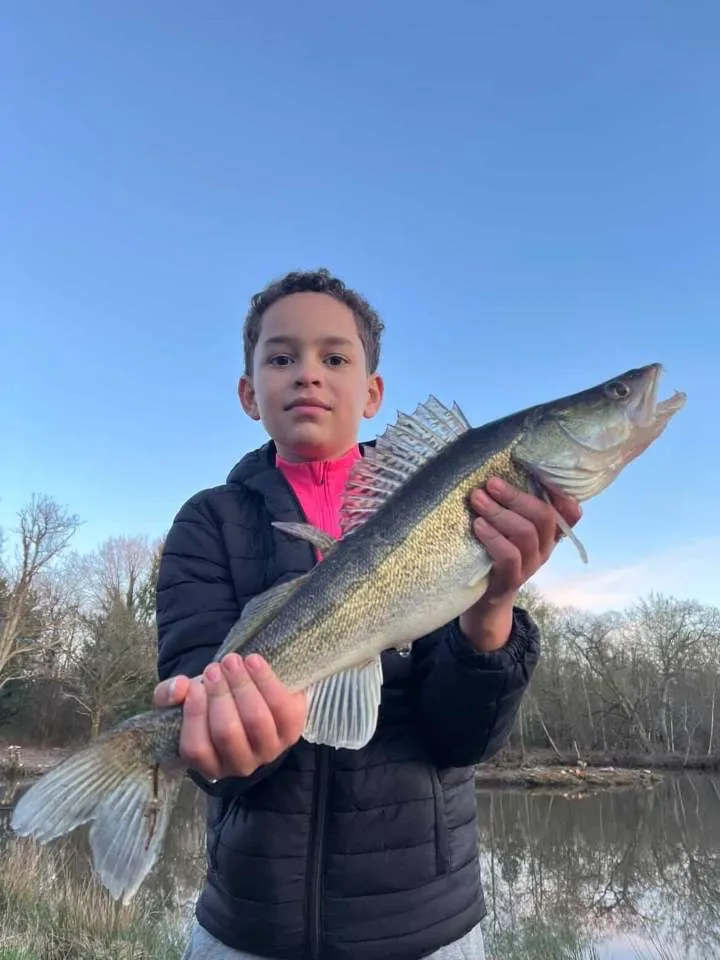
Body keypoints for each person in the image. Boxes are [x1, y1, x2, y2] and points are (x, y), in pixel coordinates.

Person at [152, 269, 581, 960]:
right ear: (247, 392)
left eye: (335, 357)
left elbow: (461, 739)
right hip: (251, 928)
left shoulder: (459, 506)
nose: (308, 375)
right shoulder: (209, 523)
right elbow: (212, 750)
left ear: (374, 392)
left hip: (429, 928)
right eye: (281, 357)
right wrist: (230, 741)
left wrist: (494, 602)